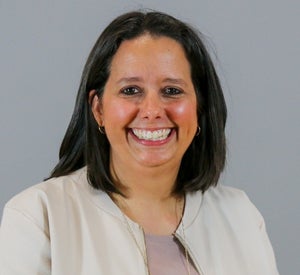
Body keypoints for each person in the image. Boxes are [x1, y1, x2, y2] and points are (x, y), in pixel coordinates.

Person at [0, 10, 279, 275]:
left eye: (172, 91)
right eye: (130, 90)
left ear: (200, 109)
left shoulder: (240, 215)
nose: (152, 110)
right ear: (98, 109)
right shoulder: (39, 216)